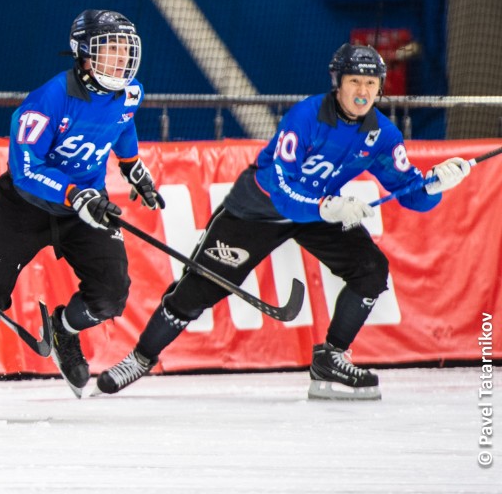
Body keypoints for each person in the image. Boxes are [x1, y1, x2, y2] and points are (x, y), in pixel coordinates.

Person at [96, 43, 472, 401]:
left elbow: (411, 194)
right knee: (199, 291)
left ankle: (332, 358)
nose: (363, 92)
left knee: (372, 270)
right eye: (355, 81)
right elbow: (282, 192)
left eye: (371, 84)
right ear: (337, 82)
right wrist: (327, 207)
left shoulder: (381, 136)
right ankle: (141, 357)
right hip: (258, 210)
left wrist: (436, 184)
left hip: (318, 210)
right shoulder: (305, 118)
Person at [0, 10, 164, 419]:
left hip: (83, 204)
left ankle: (64, 330)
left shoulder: (130, 92)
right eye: (110, 47)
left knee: (111, 292)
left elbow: (122, 124)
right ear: (83, 54)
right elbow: (26, 168)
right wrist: (76, 195)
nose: (121, 57)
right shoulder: (48, 99)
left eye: (125, 48)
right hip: (23, 205)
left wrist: (132, 167)